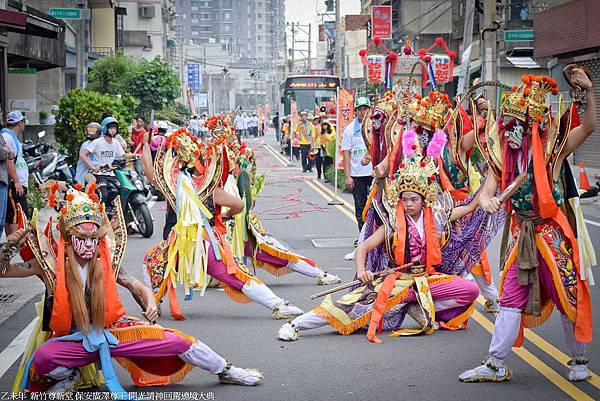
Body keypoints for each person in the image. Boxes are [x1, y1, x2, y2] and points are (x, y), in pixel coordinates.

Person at [2, 187, 263, 394]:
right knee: (44, 357)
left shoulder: (105, 260)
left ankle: (225, 370)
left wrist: (149, 303)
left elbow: (137, 286)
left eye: (93, 239)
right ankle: (69, 376)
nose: (88, 245)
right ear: (68, 238)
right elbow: (4, 271)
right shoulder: (48, 264)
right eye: (81, 239)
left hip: (114, 331)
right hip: (76, 339)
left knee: (179, 341)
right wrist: (8, 247)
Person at [459, 70, 596, 383]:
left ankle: (579, 358)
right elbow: (487, 192)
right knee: (509, 297)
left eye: (519, 127)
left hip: (551, 232)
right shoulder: (503, 158)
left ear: (533, 127)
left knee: (567, 296)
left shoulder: (553, 152)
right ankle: (495, 363)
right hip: (521, 233)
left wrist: (588, 92)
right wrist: (488, 202)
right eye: (508, 127)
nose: (511, 134)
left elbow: (588, 126)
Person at [278, 149, 500, 341]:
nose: (409, 204)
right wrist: (362, 271)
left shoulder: (439, 215)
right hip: (398, 282)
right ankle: (296, 325)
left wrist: (493, 173)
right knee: (351, 307)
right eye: (405, 199)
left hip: (429, 280)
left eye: (414, 199)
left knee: (469, 290)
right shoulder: (392, 222)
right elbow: (363, 248)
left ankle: (421, 308)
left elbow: (471, 207)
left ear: (423, 198)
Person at [141, 126, 304, 321]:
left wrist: (143, 144)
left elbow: (149, 171)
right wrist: (225, 216)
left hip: (180, 245)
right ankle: (279, 305)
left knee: (150, 261)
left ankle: (153, 304)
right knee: (238, 277)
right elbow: (239, 204)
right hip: (206, 243)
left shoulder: (172, 183)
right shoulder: (208, 187)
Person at [80, 117, 137, 204]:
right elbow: (83, 154)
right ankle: (99, 213)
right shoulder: (97, 142)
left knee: (122, 191)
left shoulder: (116, 142)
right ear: (105, 128)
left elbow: (124, 155)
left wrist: (135, 155)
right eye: (111, 128)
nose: (113, 130)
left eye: (115, 128)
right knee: (104, 195)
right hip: (99, 174)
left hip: (110, 174)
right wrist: (92, 166)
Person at [342, 97, 373, 234]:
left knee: (376, 206)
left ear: (369, 110)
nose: (362, 112)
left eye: (365, 109)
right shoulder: (349, 130)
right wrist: (348, 176)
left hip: (374, 174)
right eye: (360, 110)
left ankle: (375, 237)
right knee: (360, 206)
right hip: (357, 175)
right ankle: (363, 236)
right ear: (355, 111)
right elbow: (346, 154)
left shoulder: (375, 127)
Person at [1, 110, 29, 236]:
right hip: (14, 184)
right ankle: (13, 247)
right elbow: (8, 160)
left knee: (17, 215)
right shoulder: (7, 136)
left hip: (17, 183)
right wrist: (16, 181)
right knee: (14, 216)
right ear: (20, 123)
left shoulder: (12, 137)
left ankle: (13, 247)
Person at [75, 122, 102, 188]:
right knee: (92, 180)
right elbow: (87, 160)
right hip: (85, 171)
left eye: (93, 131)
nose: (91, 133)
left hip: (96, 171)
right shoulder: (86, 145)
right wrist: (94, 166)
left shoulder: (99, 143)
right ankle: (87, 196)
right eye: (90, 131)